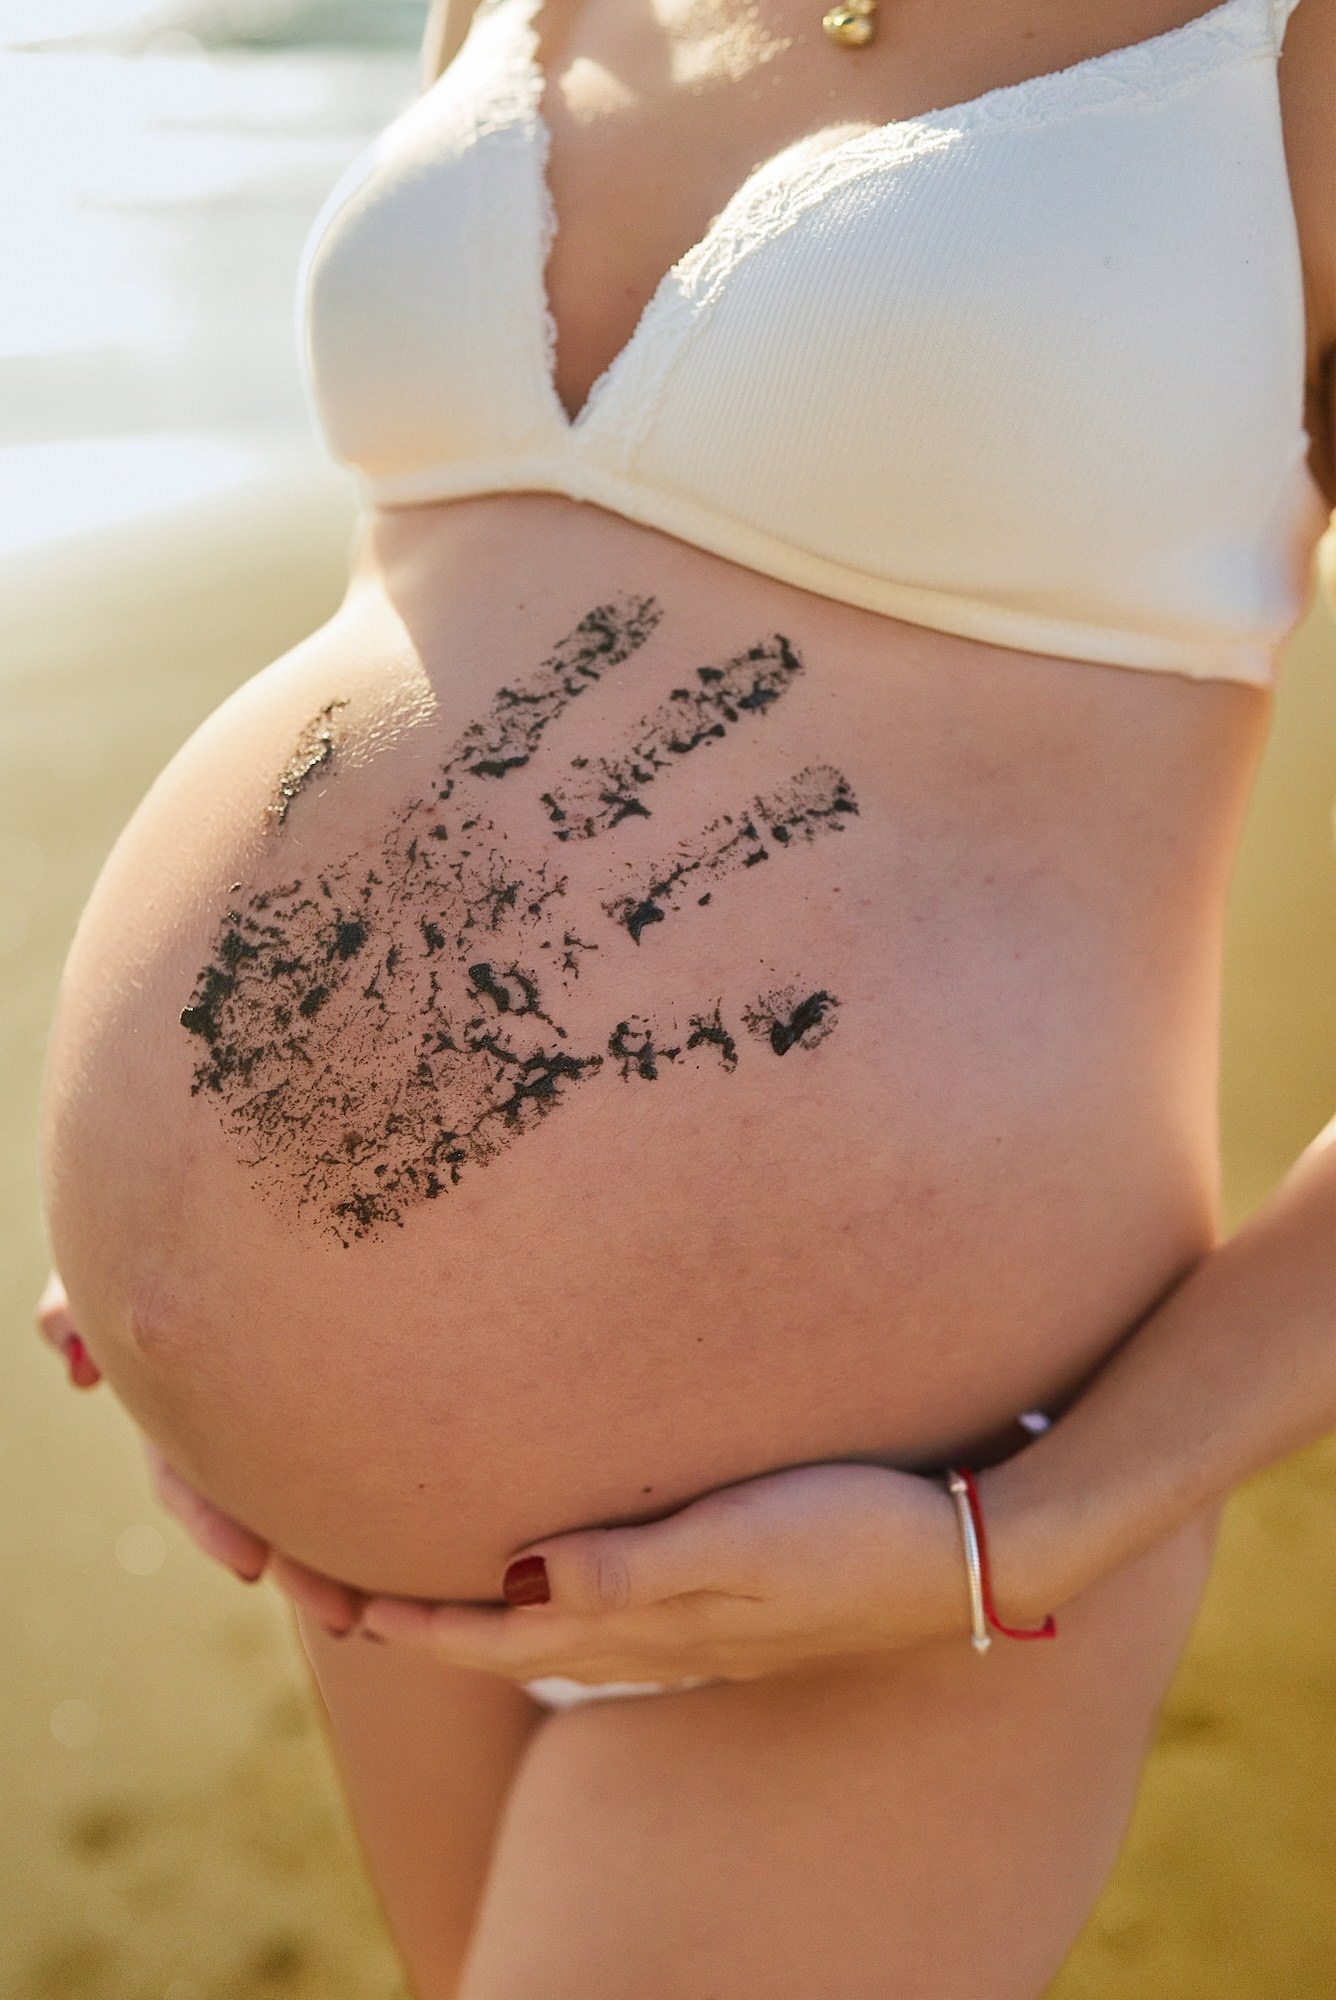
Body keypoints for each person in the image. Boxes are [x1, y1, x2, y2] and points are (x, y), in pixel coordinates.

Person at [34, 0, 1336, 1992]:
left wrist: (1024, 1538)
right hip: (346, 1546)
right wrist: (211, 1169)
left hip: (898, 1526)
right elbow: (451, 556)